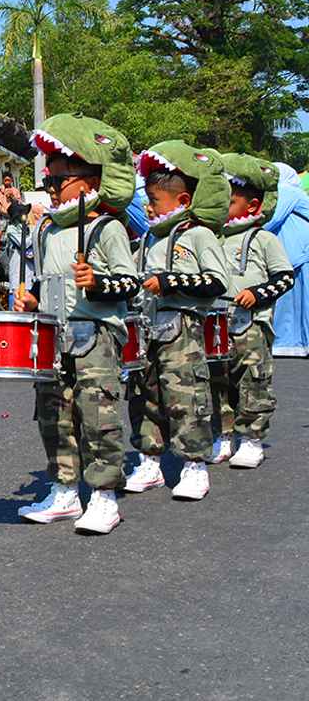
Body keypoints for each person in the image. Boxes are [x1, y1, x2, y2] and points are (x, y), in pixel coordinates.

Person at [13, 115, 140, 534]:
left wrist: (98, 282)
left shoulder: (107, 227)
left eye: (59, 181)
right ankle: (64, 489)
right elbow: (47, 281)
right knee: (55, 415)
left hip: (94, 334)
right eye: (49, 181)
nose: (51, 188)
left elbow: (129, 282)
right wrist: (30, 297)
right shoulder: (47, 230)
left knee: (97, 414)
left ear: (88, 181)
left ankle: (104, 496)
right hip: (55, 335)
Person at [126, 141, 231, 501]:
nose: (149, 206)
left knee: (186, 396)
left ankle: (194, 466)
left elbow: (217, 282)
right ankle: (150, 459)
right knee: (144, 395)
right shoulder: (149, 239)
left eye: (155, 200)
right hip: (146, 328)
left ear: (182, 201)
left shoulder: (198, 235)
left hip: (181, 328)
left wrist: (170, 282)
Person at [207, 155, 293, 468]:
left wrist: (256, 294)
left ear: (253, 206)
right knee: (218, 381)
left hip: (251, 324)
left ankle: (253, 437)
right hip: (216, 324)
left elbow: (284, 277)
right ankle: (224, 434)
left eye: (230, 201)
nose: (223, 208)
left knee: (253, 382)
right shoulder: (212, 238)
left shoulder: (263, 238)